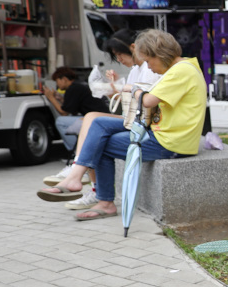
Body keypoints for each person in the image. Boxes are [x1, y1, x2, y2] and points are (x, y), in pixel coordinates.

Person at [36, 29, 207, 220]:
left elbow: (148, 100)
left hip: (171, 142)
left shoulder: (181, 71)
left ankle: (97, 195)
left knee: (101, 143)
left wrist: (132, 89)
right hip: (164, 134)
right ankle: (77, 178)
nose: (149, 67)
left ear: (159, 54)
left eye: (149, 61)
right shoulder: (184, 67)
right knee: (98, 123)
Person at [44, 29, 164, 210]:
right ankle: (82, 173)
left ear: (133, 48)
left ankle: (82, 175)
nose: (119, 60)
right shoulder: (136, 69)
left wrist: (122, 89)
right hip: (134, 117)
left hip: (142, 121)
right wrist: (115, 88)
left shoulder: (150, 69)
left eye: (119, 55)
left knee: (95, 126)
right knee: (90, 119)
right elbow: (129, 100)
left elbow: (145, 99)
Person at [42, 67, 109, 154]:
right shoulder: (79, 85)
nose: (57, 84)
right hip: (101, 117)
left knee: (60, 121)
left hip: (96, 120)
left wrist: (51, 98)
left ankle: (77, 151)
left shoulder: (73, 88)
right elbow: (72, 106)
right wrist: (60, 99)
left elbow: (64, 112)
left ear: (64, 79)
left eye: (57, 81)